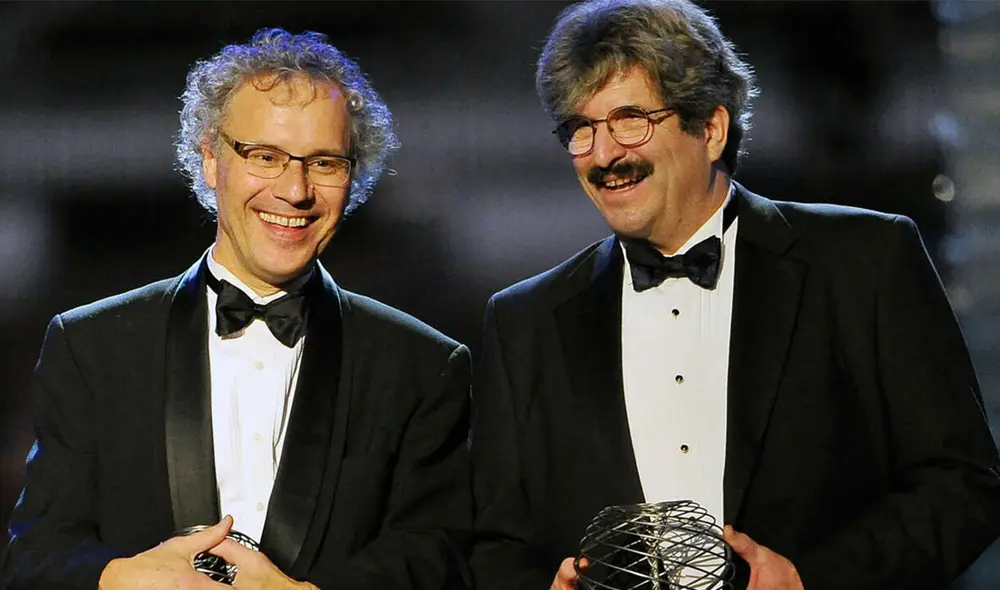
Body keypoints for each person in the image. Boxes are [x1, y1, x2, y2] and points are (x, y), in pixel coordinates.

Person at [469, 1, 1000, 589]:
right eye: (580, 129)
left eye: (629, 121)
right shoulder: (525, 321)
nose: (603, 155)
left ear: (711, 128)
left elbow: (962, 485)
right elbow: (496, 545)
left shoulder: (863, 261)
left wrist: (813, 581)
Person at [3, 29, 472, 590]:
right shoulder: (92, 346)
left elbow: (440, 556)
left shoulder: (423, 364)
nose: (295, 190)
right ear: (209, 159)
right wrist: (119, 578)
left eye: (324, 162)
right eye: (265, 157)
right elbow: (36, 557)